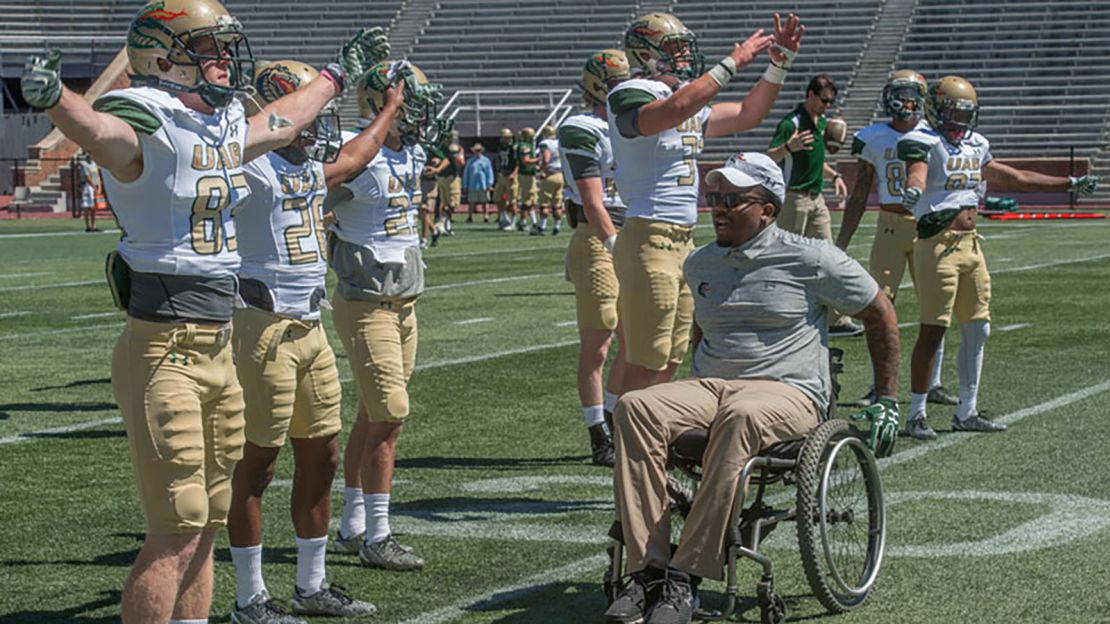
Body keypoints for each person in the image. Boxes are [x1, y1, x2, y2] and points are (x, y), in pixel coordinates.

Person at [19, 1, 388, 621]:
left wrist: (333, 78)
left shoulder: (219, 125)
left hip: (219, 343)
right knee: (178, 525)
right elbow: (103, 135)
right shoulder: (149, 116)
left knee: (211, 520)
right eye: (208, 48)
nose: (223, 60)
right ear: (163, 58)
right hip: (164, 347)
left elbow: (281, 119)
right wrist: (58, 99)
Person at [606, 153, 900, 624]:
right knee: (634, 407)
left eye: (733, 199)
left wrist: (885, 398)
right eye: (715, 197)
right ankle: (648, 572)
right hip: (713, 385)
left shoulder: (812, 257)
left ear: (768, 208)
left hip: (787, 392)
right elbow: (703, 331)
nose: (718, 207)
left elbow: (879, 312)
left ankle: (686, 578)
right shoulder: (700, 262)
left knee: (739, 415)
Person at [226, 59, 402, 622]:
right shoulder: (248, 165)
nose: (321, 122)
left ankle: (311, 585)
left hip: (311, 325)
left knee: (323, 454)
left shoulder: (306, 165)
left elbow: (355, 157)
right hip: (262, 325)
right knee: (257, 463)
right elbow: (228, 147)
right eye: (313, 110)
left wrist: (389, 111)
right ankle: (250, 598)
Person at [608, 12, 804, 395]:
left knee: (672, 355)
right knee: (647, 356)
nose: (684, 56)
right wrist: (733, 63)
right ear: (645, 55)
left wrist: (779, 65)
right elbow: (670, 112)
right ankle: (627, 438)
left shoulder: (687, 100)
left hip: (682, 240)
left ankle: (633, 430)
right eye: (674, 49)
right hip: (649, 235)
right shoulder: (631, 93)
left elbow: (749, 115)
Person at [897, 76, 1100, 439]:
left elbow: (1015, 177)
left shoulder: (976, 143)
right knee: (933, 329)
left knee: (978, 326)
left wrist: (1066, 184)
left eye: (964, 113)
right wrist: (913, 190)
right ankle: (915, 414)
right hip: (938, 244)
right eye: (951, 111)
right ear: (935, 108)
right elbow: (917, 172)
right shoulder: (921, 139)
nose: (958, 120)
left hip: (972, 244)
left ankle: (967, 410)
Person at [328, 60, 442, 572]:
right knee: (391, 413)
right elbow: (311, 196)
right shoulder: (357, 152)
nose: (418, 116)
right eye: (408, 104)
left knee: (375, 414)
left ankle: (352, 524)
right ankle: (378, 534)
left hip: (404, 301)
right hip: (366, 298)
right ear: (382, 104)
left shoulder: (411, 150)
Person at [836, 70, 959, 407]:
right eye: (897, 92)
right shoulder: (871, 137)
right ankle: (880, 385)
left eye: (910, 93)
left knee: (934, 305)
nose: (903, 100)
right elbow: (861, 192)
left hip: (927, 224)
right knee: (880, 304)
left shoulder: (935, 135)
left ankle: (932, 382)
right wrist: (843, 239)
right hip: (889, 225)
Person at [559, 49, 632, 467]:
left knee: (636, 339)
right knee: (600, 342)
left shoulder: (633, 122)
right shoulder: (582, 127)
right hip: (598, 238)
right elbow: (591, 199)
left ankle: (610, 414)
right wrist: (612, 243)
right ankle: (596, 432)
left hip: (634, 231)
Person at [767, 74, 861, 337]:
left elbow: (815, 160)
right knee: (785, 256)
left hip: (816, 198)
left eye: (831, 102)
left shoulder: (821, 123)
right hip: (793, 198)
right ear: (810, 95)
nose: (827, 106)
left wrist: (835, 176)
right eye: (824, 100)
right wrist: (789, 146)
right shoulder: (791, 123)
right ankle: (779, 314)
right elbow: (768, 157)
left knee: (828, 256)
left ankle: (835, 318)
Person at [431, 127, 465, 236]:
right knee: (453, 203)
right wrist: (458, 154)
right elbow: (460, 162)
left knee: (444, 202)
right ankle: (443, 222)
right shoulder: (452, 148)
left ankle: (446, 224)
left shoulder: (438, 146)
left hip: (440, 177)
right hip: (451, 177)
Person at [536, 124, 565, 235]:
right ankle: (556, 227)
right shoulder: (558, 143)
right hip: (560, 174)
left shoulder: (545, 144)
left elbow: (546, 159)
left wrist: (542, 169)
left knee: (544, 202)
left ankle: (542, 226)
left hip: (550, 175)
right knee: (557, 203)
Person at [493, 127, 518, 230]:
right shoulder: (500, 148)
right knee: (497, 198)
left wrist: (514, 174)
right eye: (503, 138)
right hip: (502, 175)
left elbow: (518, 163)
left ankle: (513, 222)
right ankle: (504, 217)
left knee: (512, 201)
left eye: (507, 138)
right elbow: (498, 161)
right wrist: (498, 172)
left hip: (511, 176)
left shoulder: (514, 148)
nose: (505, 140)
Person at [516, 126, 540, 232]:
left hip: (529, 174)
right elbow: (525, 160)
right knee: (527, 200)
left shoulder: (528, 145)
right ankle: (523, 222)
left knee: (532, 200)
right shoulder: (524, 146)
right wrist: (539, 160)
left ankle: (534, 222)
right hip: (526, 175)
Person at [463, 143, 494, 222]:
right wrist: (465, 185)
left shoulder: (486, 161)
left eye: (479, 150)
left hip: (483, 184)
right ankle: (470, 216)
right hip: (472, 184)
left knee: (485, 201)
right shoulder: (470, 161)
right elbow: (466, 173)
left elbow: (489, 173)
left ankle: (486, 216)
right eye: (476, 150)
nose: (478, 152)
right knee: (471, 201)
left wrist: (489, 183)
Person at [77, 151, 102, 232]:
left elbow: (97, 175)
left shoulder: (94, 164)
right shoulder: (84, 164)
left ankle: (94, 226)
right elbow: (87, 177)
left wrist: (99, 186)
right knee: (88, 206)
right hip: (88, 187)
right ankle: (88, 226)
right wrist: (93, 186)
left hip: (95, 187)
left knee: (94, 207)